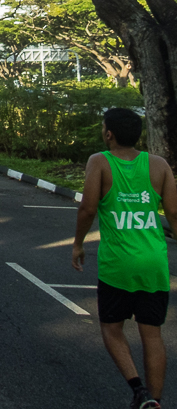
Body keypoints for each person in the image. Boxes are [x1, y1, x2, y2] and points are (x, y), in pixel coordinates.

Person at [73, 108, 177, 409]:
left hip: (117, 264)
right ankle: (154, 401)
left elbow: (88, 209)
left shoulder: (100, 162)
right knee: (152, 333)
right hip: (154, 262)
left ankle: (138, 390)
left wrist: (77, 244)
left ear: (109, 134)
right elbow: (173, 213)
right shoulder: (158, 165)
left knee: (111, 327)